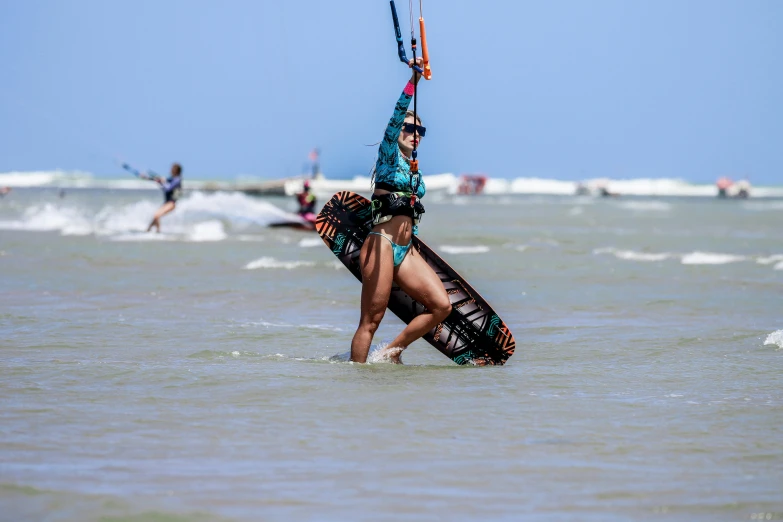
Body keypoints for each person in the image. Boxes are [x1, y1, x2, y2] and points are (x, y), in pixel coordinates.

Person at [350, 57, 452, 364]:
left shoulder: (414, 171)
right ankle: (356, 380)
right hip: (381, 244)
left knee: (441, 306)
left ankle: (391, 352)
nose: (414, 133)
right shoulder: (388, 156)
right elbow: (396, 115)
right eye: (408, 128)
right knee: (371, 319)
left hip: (406, 252)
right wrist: (414, 81)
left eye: (420, 131)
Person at [146, 163, 183, 233]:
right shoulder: (172, 179)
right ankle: (147, 231)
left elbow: (168, 188)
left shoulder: (177, 180)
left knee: (156, 216)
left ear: (177, 171)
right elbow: (164, 181)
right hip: (166, 203)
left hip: (171, 203)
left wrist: (161, 182)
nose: (171, 170)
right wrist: (155, 179)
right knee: (154, 218)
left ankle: (158, 233)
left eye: (173, 169)